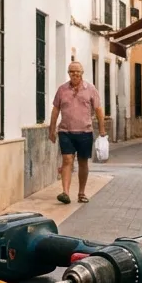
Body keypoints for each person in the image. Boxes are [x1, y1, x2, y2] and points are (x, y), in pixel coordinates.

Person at [48, 61, 106, 204]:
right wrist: (52, 128)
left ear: (82, 73)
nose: (75, 74)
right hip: (65, 131)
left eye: (77, 71)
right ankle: (65, 193)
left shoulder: (90, 89)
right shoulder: (62, 90)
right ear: (68, 73)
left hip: (85, 131)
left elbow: (98, 109)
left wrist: (102, 128)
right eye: (72, 71)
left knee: (82, 162)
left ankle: (81, 193)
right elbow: (56, 109)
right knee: (67, 160)